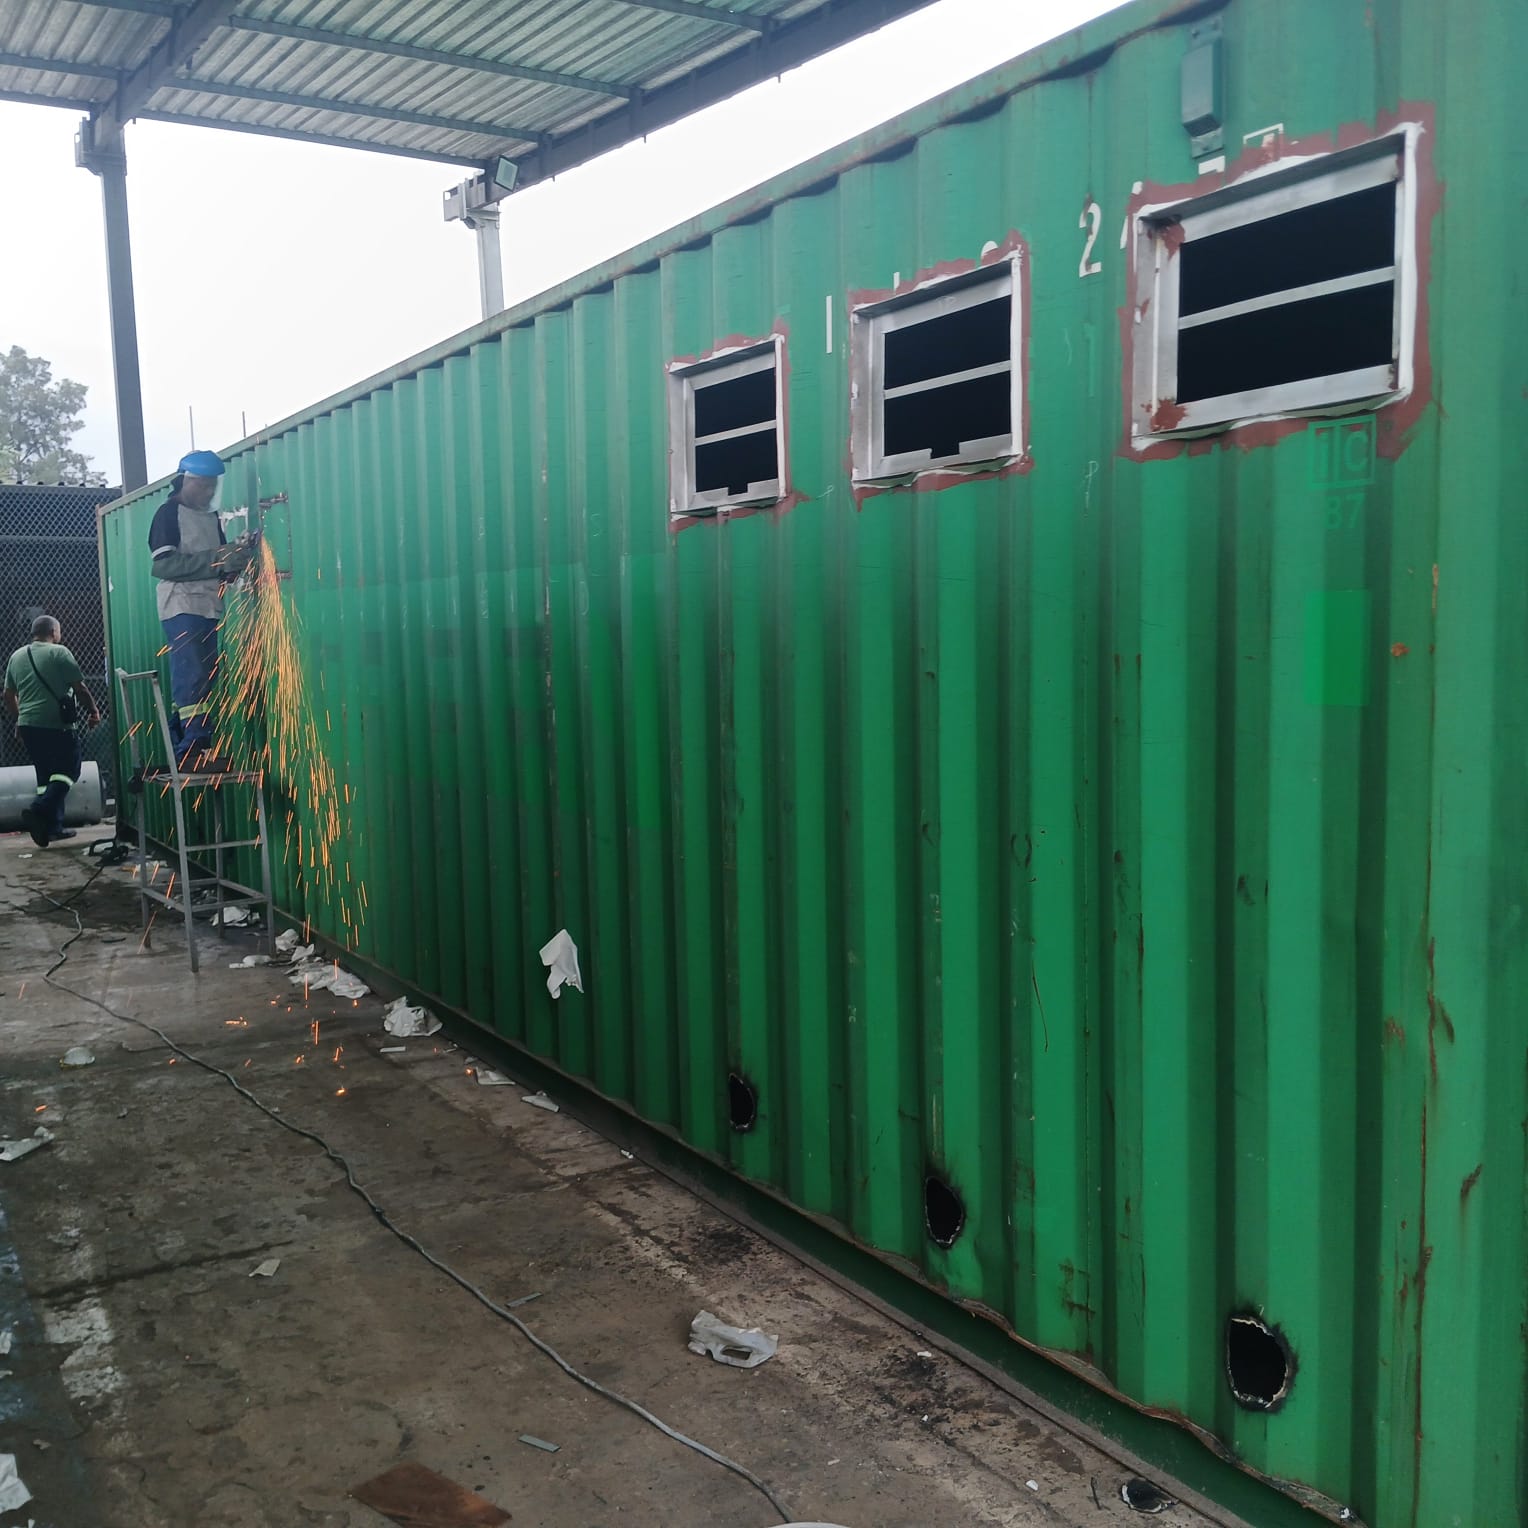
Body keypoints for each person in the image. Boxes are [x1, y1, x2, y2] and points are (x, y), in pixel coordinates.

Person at [147, 450, 256, 770]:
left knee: (203, 678)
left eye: (212, 486)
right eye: (202, 485)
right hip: (181, 605)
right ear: (185, 481)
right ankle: (192, 750)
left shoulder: (210, 518)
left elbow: (216, 564)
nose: (208, 491)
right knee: (193, 674)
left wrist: (233, 561)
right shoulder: (168, 513)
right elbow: (163, 565)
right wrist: (219, 559)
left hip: (208, 607)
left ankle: (183, 745)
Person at [3, 614, 101, 847]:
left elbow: (8, 695)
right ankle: (39, 809)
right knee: (69, 770)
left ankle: (52, 828)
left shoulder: (16, 656)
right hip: (57, 724)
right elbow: (80, 688)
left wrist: (20, 719)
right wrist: (93, 711)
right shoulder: (59, 652)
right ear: (54, 632)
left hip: (29, 726)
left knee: (45, 776)